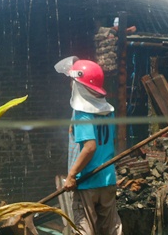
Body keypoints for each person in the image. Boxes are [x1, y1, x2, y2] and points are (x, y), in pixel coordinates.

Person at [55, 57, 123, 235]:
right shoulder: (109, 111)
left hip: (86, 182)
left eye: (73, 81)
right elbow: (108, 142)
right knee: (112, 229)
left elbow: (90, 147)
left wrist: (71, 175)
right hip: (107, 180)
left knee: (84, 229)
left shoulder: (82, 114)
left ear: (79, 86)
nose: (71, 85)